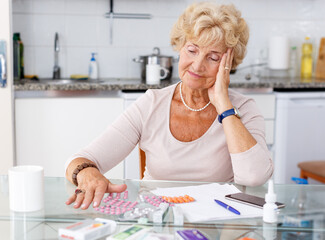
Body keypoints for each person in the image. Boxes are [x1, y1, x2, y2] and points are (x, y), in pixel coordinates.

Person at [65, 2, 273, 210]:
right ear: (180, 47)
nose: (198, 65)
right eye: (192, 50)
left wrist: (224, 107)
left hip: (218, 222)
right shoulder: (152, 103)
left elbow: (254, 177)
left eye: (213, 57)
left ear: (229, 65)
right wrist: (87, 173)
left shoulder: (243, 109)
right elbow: (79, 161)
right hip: (158, 219)